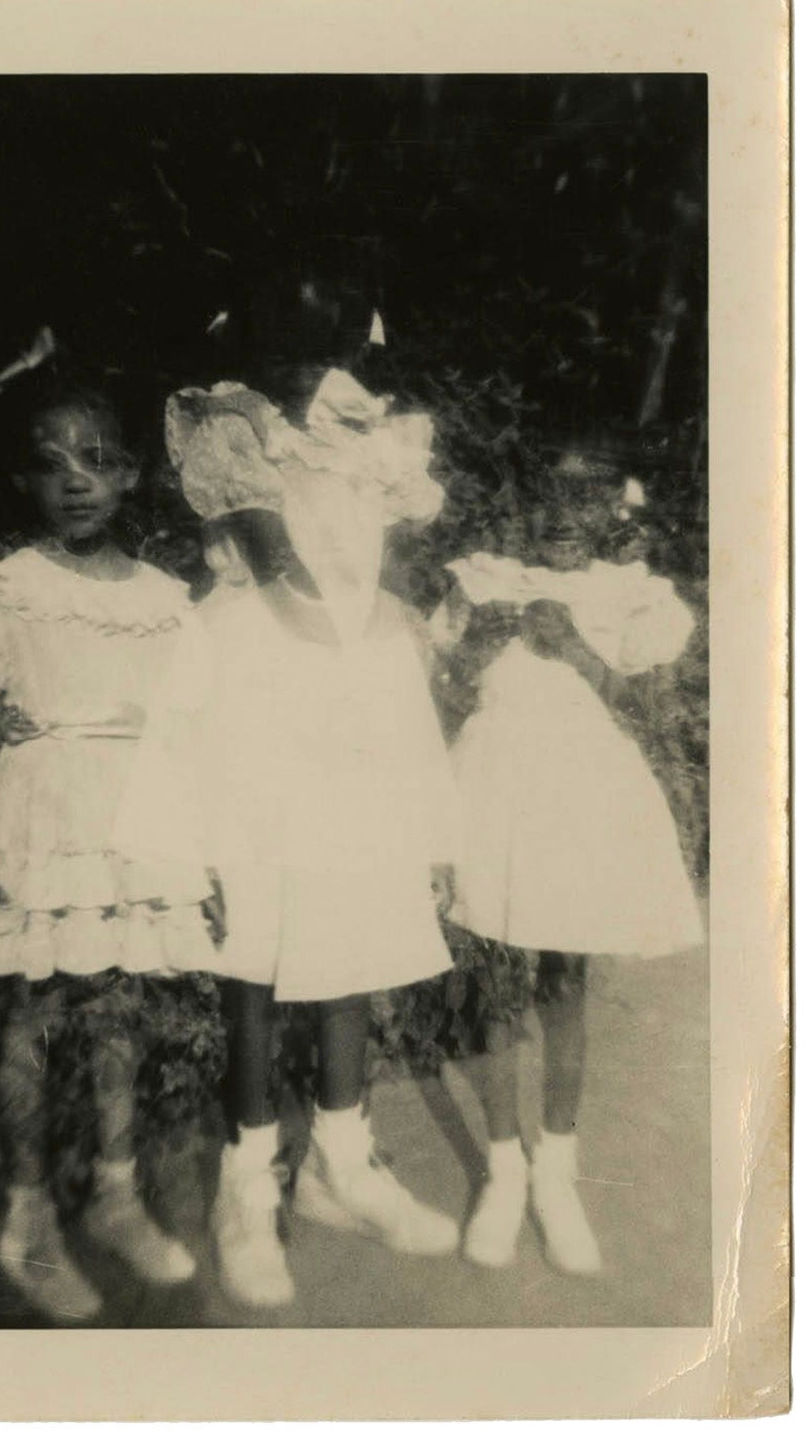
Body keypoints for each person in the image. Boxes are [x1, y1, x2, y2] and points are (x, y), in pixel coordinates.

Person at [119, 357, 462, 1309]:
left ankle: (340, 1168)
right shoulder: (236, 422)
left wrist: (385, 632)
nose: (332, 335)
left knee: (353, 934)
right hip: (267, 678)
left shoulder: (377, 431)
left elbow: (384, 565)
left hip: (359, 673)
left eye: (349, 313)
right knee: (261, 958)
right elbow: (285, 572)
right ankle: (246, 1187)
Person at [0, 329, 212, 1321]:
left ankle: (117, 1192)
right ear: (26, 484)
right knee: (35, 1015)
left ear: (133, 475)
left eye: (97, 460)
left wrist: (192, 847)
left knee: (119, 1012)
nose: (77, 481)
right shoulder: (7, 592)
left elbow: (182, 739)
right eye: (53, 465)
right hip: (42, 814)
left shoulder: (168, 605)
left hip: (132, 820)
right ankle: (26, 1213)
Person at [432, 455, 705, 1275]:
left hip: (580, 807)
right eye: (550, 492)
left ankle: (558, 1172)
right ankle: (504, 1170)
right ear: (525, 498)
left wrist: (578, 646)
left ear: (606, 512)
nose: (562, 511)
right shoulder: (483, 582)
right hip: (491, 798)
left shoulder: (629, 593)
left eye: (584, 496)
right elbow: (440, 687)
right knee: (492, 983)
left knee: (562, 986)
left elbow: (652, 713)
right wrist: (471, 654)